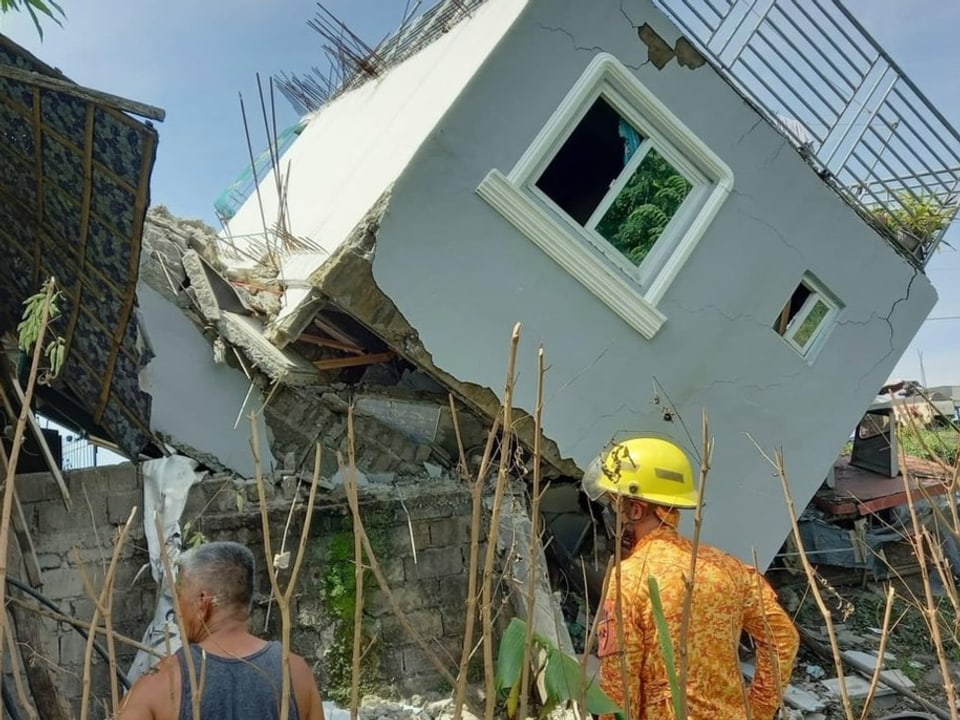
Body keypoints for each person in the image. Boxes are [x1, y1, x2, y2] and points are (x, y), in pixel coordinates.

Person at [583, 436, 798, 720]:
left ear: (635, 509)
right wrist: (756, 710)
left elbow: (620, 683)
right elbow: (783, 638)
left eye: (613, 504)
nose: (611, 513)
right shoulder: (728, 567)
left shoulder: (631, 578)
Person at [117, 540, 325, 720]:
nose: (175, 613)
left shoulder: (160, 685)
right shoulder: (296, 673)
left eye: (179, 598)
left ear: (202, 603)